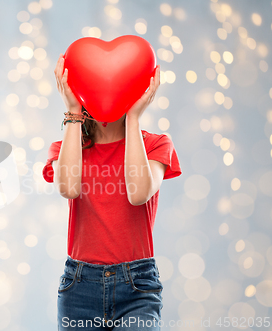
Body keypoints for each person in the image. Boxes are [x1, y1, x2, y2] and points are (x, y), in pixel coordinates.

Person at [42, 54, 182, 330]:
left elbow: (138, 193)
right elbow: (68, 188)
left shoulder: (155, 145)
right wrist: (73, 110)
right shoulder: (67, 147)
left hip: (137, 287)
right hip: (79, 286)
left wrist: (133, 118)